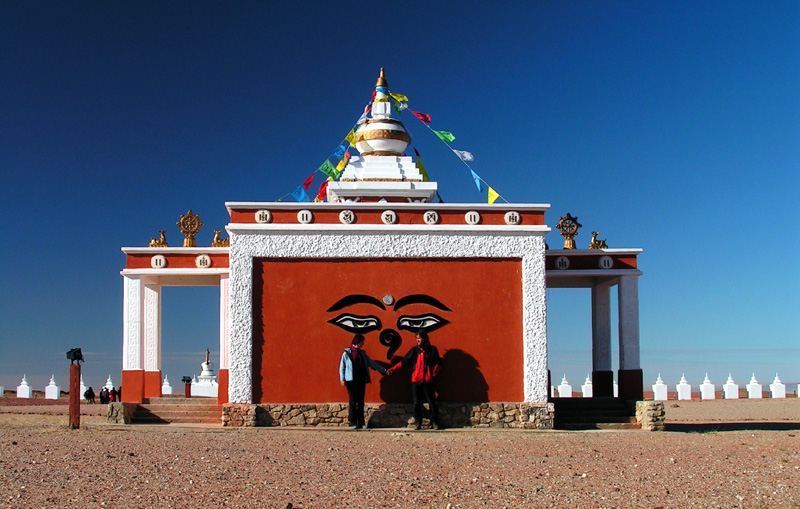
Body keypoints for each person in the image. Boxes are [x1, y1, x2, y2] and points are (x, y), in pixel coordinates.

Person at [387, 331, 441, 430]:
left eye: (419, 338)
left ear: (424, 338)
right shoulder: (415, 350)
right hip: (416, 380)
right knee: (416, 403)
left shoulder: (432, 350)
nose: (417, 340)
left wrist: (432, 376)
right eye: (416, 338)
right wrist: (393, 369)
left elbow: (438, 364)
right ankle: (418, 422)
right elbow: (404, 361)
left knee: (432, 402)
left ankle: (434, 422)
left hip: (428, 381)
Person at [339, 334, 387, 429]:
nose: (363, 344)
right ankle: (353, 422)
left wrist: (384, 370)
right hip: (350, 380)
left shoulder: (362, 354)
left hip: (361, 380)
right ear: (357, 342)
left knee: (361, 402)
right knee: (353, 401)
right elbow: (342, 367)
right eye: (362, 342)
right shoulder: (347, 353)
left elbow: (372, 363)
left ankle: (361, 422)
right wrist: (342, 379)